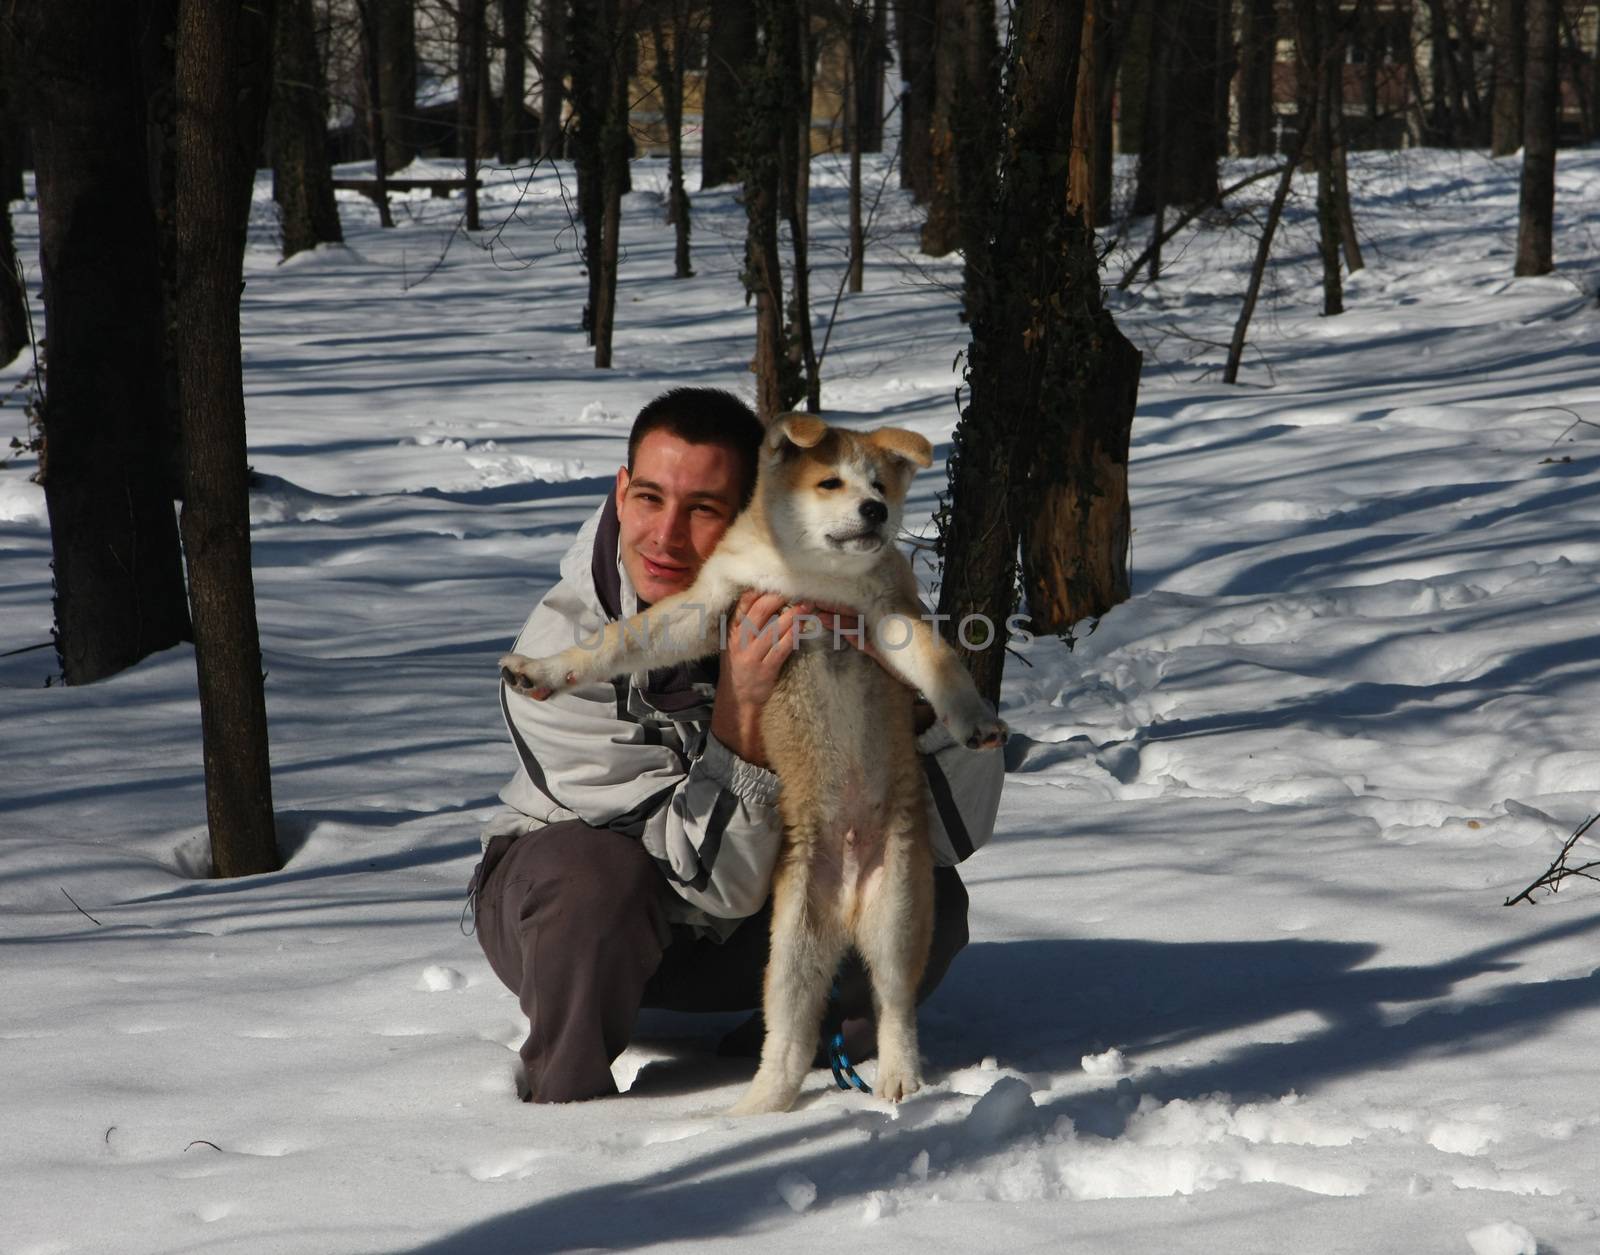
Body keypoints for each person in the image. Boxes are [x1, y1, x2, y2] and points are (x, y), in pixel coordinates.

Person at [469, 387, 1005, 1103]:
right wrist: (740, 713)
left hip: (749, 897)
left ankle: (787, 1046)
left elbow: (951, 831)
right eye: (651, 498)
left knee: (926, 897)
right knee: (591, 880)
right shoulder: (562, 644)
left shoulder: (840, 578)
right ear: (620, 490)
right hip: (594, 921)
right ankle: (567, 1104)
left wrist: (914, 705)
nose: (666, 535)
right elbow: (708, 885)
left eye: (702, 509)